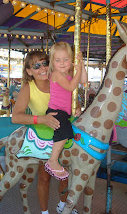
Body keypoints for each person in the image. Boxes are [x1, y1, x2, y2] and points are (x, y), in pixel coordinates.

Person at [12, 50, 81, 214]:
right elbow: (16, 117)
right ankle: (44, 212)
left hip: (64, 129)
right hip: (44, 133)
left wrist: (77, 107)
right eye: (36, 66)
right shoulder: (29, 88)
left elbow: (73, 99)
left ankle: (63, 204)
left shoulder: (58, 78)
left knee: (68, 175)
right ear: (29, 71)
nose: (42, 68)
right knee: (44, 177)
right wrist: (42, 119)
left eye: (45, 63)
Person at [45, 42, 87, 180]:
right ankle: (53, 160)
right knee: (64, 129)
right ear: (52, 62)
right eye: (57, 60)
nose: (62, 63)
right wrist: (78, 69)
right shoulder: (56, 74)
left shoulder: (70, 72)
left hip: (67, 111)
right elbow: (70, 87)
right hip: (56, 111)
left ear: (71, 59)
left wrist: (81, 63)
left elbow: (84, 81)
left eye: (66, 59)